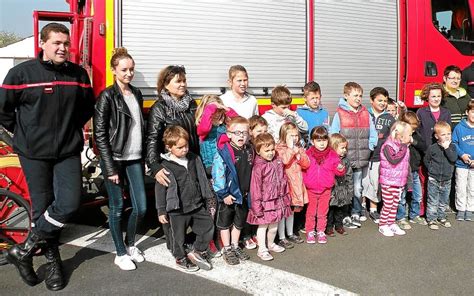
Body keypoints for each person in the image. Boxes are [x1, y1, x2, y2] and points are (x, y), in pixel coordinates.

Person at [0, 23, 95, 290]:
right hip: (34, 154)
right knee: (41, 209)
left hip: (67, 150)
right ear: (42, 43)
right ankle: (53, 260)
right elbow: (4, 111)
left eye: (66, 43)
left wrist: (70, 130)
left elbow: (86, 108)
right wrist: (24, 134)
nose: (63, 48)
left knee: (69, 203)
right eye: (56, 43)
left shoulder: (78, 75)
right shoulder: (20, 74)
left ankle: (24, 251)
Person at [94, 48, 146, 271]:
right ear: (114, 70)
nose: (129, 73)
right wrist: (110, 166)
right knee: (116, 208)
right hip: (114, 160)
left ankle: (131, 244)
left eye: (132, 69)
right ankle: (120, 252)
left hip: (135, 158)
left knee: (141, 207)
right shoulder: (107, 96)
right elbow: (100, 134)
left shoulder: (137, 93)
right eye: (124, 70)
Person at [155, 126, 215, 272]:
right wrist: (161, 210)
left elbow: (201, 179)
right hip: (177, 210)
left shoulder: (194, 159)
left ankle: (198, 251)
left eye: (186, 145)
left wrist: (208, 197)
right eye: (180, 147)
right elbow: (160, 190)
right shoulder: (165, 166)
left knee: (207, 226)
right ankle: (180, 257)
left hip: (196, 204)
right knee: (178, 236)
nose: (184, 149)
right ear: (169, 147)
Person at [330, 82, 377, 227]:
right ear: (346, 96)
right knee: (344, 187)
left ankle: (356, 211)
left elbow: (373, 133)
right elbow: (334, 135)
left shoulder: (365, 113)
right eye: (355, 95)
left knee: (358, 187)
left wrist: (370, 146)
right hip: (345, 159)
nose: (358, 98)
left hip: (361, 158)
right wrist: (338, 154)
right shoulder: (340, 114)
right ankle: (344, 214)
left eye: (360, 95)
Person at [195, 94, 238, 255]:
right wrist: (211, 108)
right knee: (212, 206)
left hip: (225, 169)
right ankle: (209, 239)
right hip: (210, 170)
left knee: (223, 206)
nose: (218, 115)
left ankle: (222, 235)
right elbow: (205, 126)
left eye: (220, 112)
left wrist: (227, 110)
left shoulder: (224, 125)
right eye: (214, 112)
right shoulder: (203, 127)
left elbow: (238, 122)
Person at [146, 65, 199, 187]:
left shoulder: (191, 104)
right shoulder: (160, 108)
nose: (183, 84)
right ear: (165, 84)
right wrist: (155, 166)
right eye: (178, 81)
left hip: (191, 160)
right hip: (172, 163)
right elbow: (152, 138)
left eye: (184, 81)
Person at [212, 116, 254, 265]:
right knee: (225, 224)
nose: (241, 136)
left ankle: (235, 246)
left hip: (244, 194)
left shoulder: (249, 150)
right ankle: (227, 248)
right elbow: (218, 173)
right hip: (229, 195)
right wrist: (223, 193)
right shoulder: (224, 152)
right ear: (229, 134)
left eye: (244, 132)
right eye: (237, 133)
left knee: (238, 223)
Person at [247, 133, 292, 261]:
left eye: (272, 149)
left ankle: (271, 244)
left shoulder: (277, 161)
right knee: (263, 226)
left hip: (278, 200)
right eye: (267, 150)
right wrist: (257, 206)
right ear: (258, 151)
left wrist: (285, 195)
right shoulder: (258, 167)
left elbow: (283, 179)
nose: (271, 153)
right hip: (265, 202)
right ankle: (262, 249)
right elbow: (255, 188)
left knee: (274, 225)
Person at [303, 127, 345, 244]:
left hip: (326, 189)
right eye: (318, 140)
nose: (322, 144)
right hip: (311, 189)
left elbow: (338, 169)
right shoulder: (308, 154)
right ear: (312, 141)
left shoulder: (332, 154)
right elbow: (303, 168)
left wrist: (340, 169)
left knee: (322, 212)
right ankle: (310, 231)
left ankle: (321, 231)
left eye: (324, 140)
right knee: (311, 212)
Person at [362, 87, 395, 224]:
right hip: (364, 155)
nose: (382, 103)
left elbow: (392, 137)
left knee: (375, 183)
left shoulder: (389, 118)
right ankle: (362, 207)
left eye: (385, 101)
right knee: (363, 183)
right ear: (371, 100)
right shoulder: (364, 114)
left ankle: (373, 209)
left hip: (379, 157)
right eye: (379, 100)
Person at [275, 122, 309, 248]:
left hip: (297, 183)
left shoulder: (299, 147)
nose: (294, 138)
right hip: (285, 184)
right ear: (284, 135)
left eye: (296, 135)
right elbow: (283, 161)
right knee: (284, 211)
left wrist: (299, 156)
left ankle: (290, 233)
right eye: (291, 135)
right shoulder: (279, 148)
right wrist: (291, 150)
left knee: (292, 211)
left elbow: (306, 164)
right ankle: (282, 236)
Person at [378, 121, 412, 236]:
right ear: (401, 136)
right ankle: (383, 224)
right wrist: (403, 147)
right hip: (388, 182)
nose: (411, 138)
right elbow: (394, 159)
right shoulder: (388, 146)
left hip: (399, 182)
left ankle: (391, 223)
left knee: (394, 204)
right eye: (409, 135)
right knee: (388, 204)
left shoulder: (404, 146)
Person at [396, 112, 427, 229]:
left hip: (414, 170)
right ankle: (401, 217)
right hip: (403, 171)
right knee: (401, 196)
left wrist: (413, 141)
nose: (413, 131)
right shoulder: (398, 136)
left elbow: (424, 147)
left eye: (414, 129)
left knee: (418, 195)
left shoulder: (416, 135)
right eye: (411, 129)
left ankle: (414, 215)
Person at [424, 121, 457, 230]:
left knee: (443, 200)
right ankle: (431, 219)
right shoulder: (432, 148)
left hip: (447, 179)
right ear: (436, 136)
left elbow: (453, 159)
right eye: (443, 135)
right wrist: (432, 170)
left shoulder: (452, 147)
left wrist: (447, 148)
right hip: (434, 178)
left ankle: (441, 217)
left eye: (449, 134)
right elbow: (426, 160)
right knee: (433, 200)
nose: (447, 136)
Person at [326, 133, 354, 236]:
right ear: (333, 147)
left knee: (340, 210)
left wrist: (350, 191)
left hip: (342, 189)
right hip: (333, 189)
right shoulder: (329, 160)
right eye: (342, 148)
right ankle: (328, 227)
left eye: (345, 148)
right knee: (330, 210)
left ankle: (339, 226)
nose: (344, 150)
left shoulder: (345, 161)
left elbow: (349, 176)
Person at [452, 100, 474, 221]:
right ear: (467, 112)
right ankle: (461, 209)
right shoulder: (459, 127)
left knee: (472, 188)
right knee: (460, 187)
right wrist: (462, 155)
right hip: (461, 164)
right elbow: (454, 143)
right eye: (472, 112)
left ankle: (470, 209)